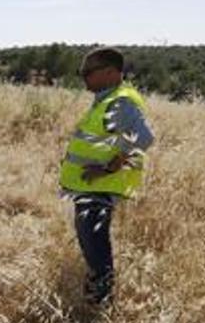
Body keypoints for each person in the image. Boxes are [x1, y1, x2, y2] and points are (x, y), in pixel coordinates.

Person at [59, 47, 155, 304]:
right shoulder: (106, 99)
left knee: (93, 239)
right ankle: (98, 293)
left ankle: (100, 299)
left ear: (111, 72)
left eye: (88, 72)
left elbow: (144, 137)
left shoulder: (119, 101)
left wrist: (109, 168)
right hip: (91, 184)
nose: (83, 77)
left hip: (101, 184)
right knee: (89, 236)